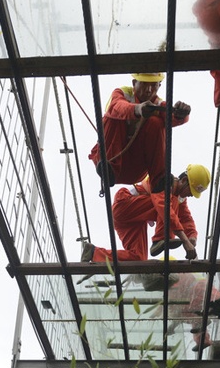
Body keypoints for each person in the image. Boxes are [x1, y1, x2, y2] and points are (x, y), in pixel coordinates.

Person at [80, 164, 211, 263]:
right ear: (183, 180)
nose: (191, 196)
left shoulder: (178, 199)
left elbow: (186, 218)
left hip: (132, 219)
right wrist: (184, 240)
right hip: (125, 204)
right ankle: (160, 239)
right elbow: (164, 208)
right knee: (169, 203)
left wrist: (192, 236)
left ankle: (93, 253)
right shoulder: (164, 182)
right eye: (191, 191)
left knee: (138, 258)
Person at [88, 73, 191, 193]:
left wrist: (181, 114)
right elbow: (117, 107)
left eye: (153, 85)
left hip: (135, 168)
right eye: (144, 84)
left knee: (156, 123)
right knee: (114, 117)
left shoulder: (158, 104)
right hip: (109, 161)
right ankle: (110, 167)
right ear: (134, 83)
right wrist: (137, 109)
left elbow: (171, 118)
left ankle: (159, 180)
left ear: (159, 86)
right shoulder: (121, 94)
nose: (148, 90)